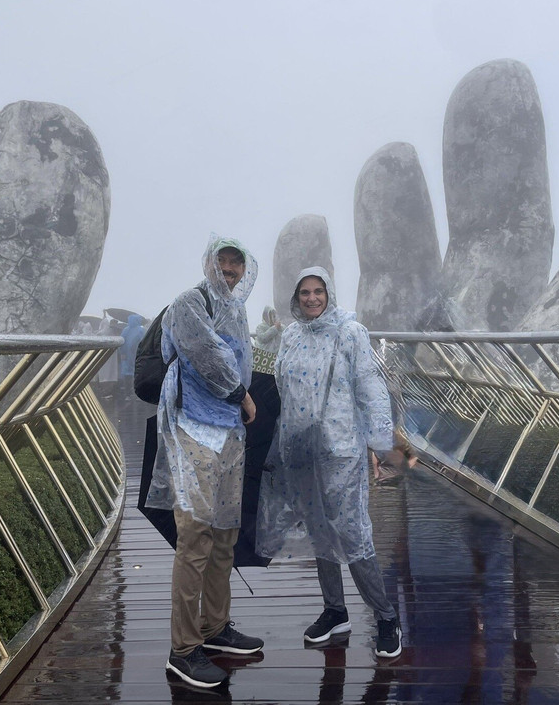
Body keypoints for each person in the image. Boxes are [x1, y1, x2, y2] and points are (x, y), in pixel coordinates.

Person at [256, 266, 403, 658]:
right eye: (304, 292)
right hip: (301, 450)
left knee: (352, 530)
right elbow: (281, 385)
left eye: (318, 291)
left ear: (329, 293)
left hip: (341, 448)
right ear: (296, 298)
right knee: (320, 528)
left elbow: (370, 387)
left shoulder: (350, 332)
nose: (311, 299)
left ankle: (387, 617)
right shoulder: (291, 335)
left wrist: (380, 445)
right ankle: (335, 610)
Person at [145, 234, 264, 688]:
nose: (230, 270)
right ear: (209, 264)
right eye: (223, 262)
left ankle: (215, 627)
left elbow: (243, 358)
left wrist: (240, 400)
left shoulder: (235, 308)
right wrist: (243, 396)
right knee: (194, 535)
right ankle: (183, 648)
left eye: (237, 263)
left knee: (224, 532)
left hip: (228, 431)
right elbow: (209, 358)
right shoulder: (187, 303)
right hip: (192, 427)